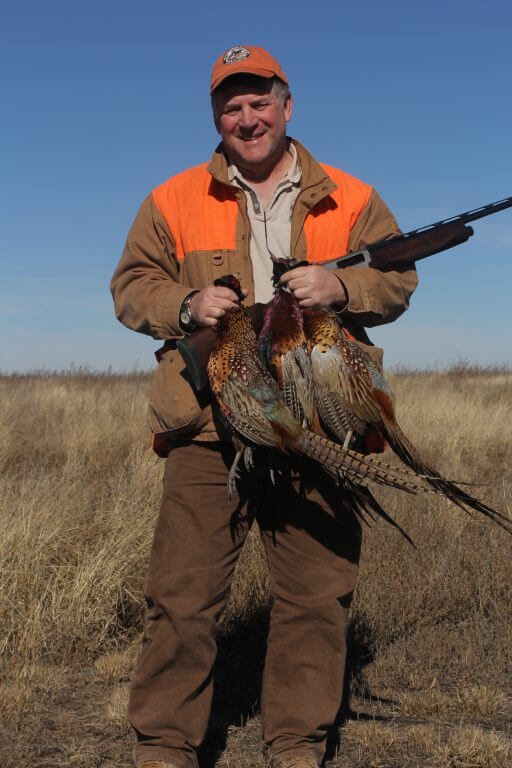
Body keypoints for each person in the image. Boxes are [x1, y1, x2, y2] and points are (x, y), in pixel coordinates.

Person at [111, 45, 417, 768]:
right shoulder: (172, 198)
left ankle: (297, 745)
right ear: (216, 115)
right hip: (207, 422)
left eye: (259, 102)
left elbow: (398, 277)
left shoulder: (353, 194)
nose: (246, 119)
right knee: (182, 599)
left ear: (287, 105)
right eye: (231, 105)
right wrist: (185, 303)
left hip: (321, 416)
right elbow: (130, 287)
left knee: (315, 594)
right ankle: (164, 748)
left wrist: (341, 290)